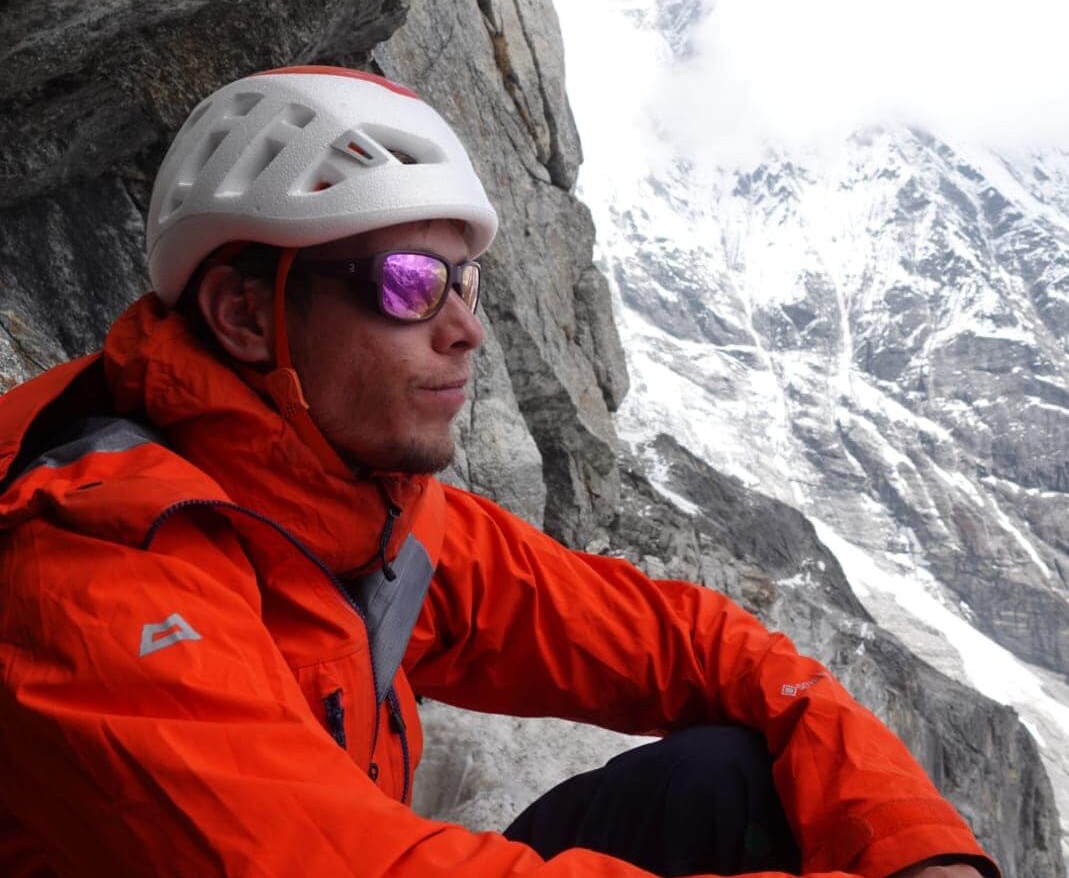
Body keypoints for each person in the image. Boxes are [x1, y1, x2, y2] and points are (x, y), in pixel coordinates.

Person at [0, 66, 998, 878]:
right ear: (247, 315)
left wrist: (917, 847)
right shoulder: (97, 578)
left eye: (463, 278)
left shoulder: (355, 498)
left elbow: (696, 643)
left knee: (737, 778)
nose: (467, 327)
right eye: (407, 283)